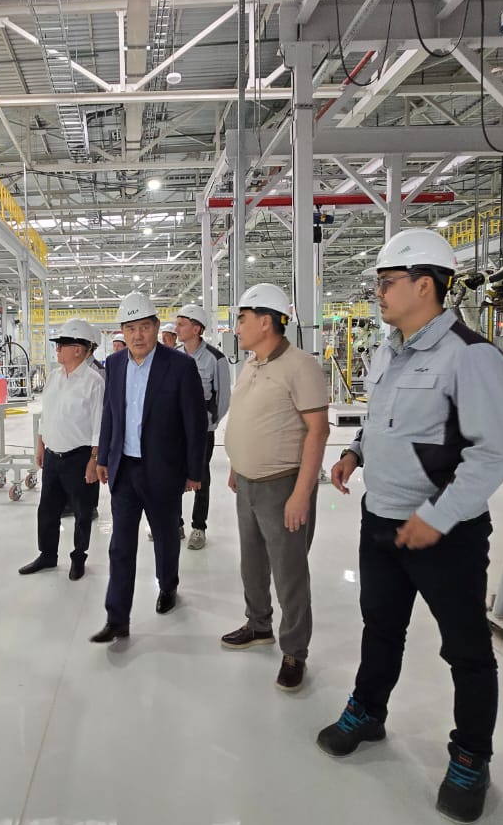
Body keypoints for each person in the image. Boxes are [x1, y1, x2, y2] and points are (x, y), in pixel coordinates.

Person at [318, 228, 503, 825]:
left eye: (387, 282)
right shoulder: (388, 350)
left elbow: (493, 452)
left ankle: (471, 757)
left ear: (424, 285)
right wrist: (355, 452)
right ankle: (368, 711)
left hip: (443, 533)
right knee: (380, 626)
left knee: (466, 649)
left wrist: (439, 516)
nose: (378, 293)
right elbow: (381, 418)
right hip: (380, 519)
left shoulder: (469, 355)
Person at [221, 284, 329, 692]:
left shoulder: (301, 366)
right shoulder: (252, 363)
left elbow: (318, 431)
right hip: (248, 484)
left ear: (266, 322)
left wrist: (301, 494)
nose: (236, 328)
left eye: (242, 319)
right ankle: (259, 624)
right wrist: (237, 464)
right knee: (251, 563)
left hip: (283, 485)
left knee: (289, 573)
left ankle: (295, 650)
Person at [90, 292, 206, 643]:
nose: (137, 335)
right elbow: (110, 413)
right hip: (124, 470)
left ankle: (168, 585)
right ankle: (117, 618)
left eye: (144, 327)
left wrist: (194, 472)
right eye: (130, 328)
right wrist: (103, 457)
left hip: (164, 470)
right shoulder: (115, 364)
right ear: (122, 331)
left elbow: (195, 422)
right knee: (120, 546)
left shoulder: (180, 366)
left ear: (156, 327)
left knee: (166, 537)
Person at [22, 319, 104, 580]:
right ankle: (47, 555)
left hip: (79, 458)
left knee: (82, 512)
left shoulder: (94, 382)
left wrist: (94, 459)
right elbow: (46, 413)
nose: (56, 349)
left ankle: (78, 557)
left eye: (62, 345)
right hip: (53, 456)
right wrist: (40, 444)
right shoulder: (54, 377)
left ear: (78, 349)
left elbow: (99, 425)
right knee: (47, 510)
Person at [174, 303, 231, 550]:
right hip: (176, 430)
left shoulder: (215, 359)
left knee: (201, 477)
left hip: (202, 431)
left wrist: (210, 423)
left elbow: (223, 398)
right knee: (174, 475)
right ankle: (175, 523)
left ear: (196, 329)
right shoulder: (173, 356)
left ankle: (199, 527)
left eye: (181, 324)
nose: (176, 328)